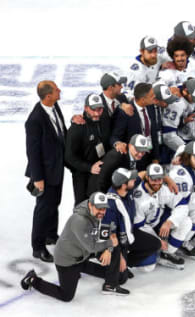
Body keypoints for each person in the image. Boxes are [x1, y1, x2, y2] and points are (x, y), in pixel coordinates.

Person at [20, 192, 129, 300]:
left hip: (82, 257)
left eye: (104, 209)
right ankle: (33, 279)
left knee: (119, 277)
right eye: (99, 208)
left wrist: (109, 249)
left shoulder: (95, 212)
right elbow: (92, 247)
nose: (102, 212)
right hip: (67, 262)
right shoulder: (80, 221)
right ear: (90, 205)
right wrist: (110, 244)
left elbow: (110, 235)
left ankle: (109, 284)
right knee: (66, 296)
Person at [25, 80, 67, 262]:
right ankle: (38, 246)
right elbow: (32, 152)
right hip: (44, 172)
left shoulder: (54, 106)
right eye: (57, 90)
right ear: (48, 95)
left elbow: (61, 131)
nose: (60, 91)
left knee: (54, 203)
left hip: (56, 167)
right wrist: (37, 178)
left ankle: (51, 234)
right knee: (43, 208)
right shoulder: (35, 120)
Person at [65, 93, 112, 205]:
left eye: (100, 109)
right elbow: (68, 157)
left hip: (100, 172)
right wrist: (89, 168)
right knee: (83, 206)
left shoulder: (105, 120)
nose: (97, 113)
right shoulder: (77, 127)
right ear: (86, 108)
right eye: (93, 109)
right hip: (82, 176)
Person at [111, 82, 161, 171]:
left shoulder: (150, 106)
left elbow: (153, 133)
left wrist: (156, 157)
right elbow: (115, 137)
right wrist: (117, 143)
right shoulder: (125, 113)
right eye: (152, 95)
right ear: (143, 99)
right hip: (136, 159)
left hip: (150, 154)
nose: (154, 96)